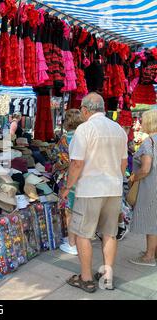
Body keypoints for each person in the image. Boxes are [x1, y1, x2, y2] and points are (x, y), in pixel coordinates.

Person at [61, 92, 128, 293]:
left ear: (85, 110)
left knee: (83, 234)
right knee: (110, 233)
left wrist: (66, 188)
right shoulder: (118, 130)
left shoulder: (85, 129)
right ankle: (107, 277)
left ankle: (87, 278)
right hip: (113, 189)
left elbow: (77, 163)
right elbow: (124, 163)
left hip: (90, 190)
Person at [53, 109, 84, 255]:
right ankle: (79, 240)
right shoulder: (85, 136)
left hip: (70, 178)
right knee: (81, 210)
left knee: (70, 211)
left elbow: (61, 160)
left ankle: (72, 243)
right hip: (85, 178)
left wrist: (56, 166)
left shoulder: (66, 138)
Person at [128, 109, 157, 266]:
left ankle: (149, 256)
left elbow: (146, 169)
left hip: (151, 186)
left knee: (151, 221)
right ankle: (152, 252)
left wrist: (134, 177)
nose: (140, 123)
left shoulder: (149, 142)